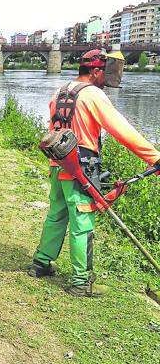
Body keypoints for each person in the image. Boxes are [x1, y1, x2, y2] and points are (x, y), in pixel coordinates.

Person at [28, 49, 160, 297]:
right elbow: (122, 129)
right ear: (96, 71)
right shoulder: (92, 95)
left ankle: (41, 263)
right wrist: (154, 157)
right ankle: (81, 282)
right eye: (104, 73)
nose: (105, 80)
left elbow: (52, 130)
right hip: (80, 168)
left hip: (58, 165)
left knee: (56, 215)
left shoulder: (60, 91)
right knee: (82, 223)